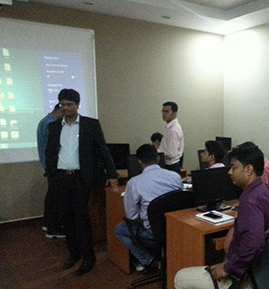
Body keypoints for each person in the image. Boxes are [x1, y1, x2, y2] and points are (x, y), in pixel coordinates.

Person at [174, 142, 269, 289]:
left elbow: (254, 244)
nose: (229, 172)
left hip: (249, 276)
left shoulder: (250, 200)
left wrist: (228, 268)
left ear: (249, 170)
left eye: (234, 167)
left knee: (180, 277)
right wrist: (235, 227)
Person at [46, 89, 119, 276]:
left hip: (81, 178)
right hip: (61, 178)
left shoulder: (90, 125)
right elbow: (51, 152)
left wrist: (112, 174)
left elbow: (103, 150)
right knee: (65, 217)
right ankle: (74, 253)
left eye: (70, 104)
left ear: (78, 105)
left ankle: (89, 256)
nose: (66, 108)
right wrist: (51, 174)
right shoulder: (54, 127)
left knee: (81, 216)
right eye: (63, 104)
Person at [114, 144, 183, 271]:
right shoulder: (175, 176)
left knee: (119, 230)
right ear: (157, 158)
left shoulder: (134, 183)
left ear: (139, 161)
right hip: (176, 228)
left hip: (153, 234)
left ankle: (149, 260)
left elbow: (131, 216)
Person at [36, 103, 65, 238]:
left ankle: (48, 223)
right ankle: (53, 229)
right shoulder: (51, 124)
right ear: (60, 111)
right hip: (54, 166)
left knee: (52, 196)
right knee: (57, 198)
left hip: (49, 166)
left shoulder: (44, 121)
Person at [158, 101, 184, 174]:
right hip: (171, 166)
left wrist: (157, 151)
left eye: (167, 111)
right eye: (163, 111)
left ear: (174, 113)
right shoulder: (170, 127)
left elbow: (172, 153)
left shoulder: (173, 130)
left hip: (171, 166)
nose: (163, 114)